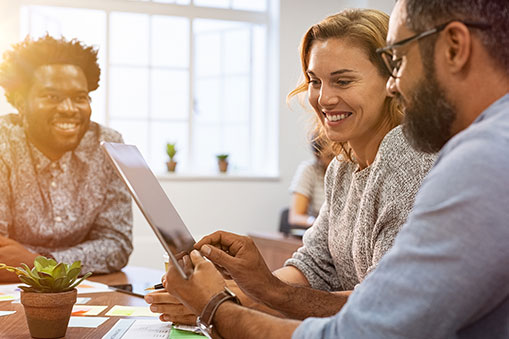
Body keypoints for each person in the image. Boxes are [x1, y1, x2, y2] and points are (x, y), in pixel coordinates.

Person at [162, 0, 509, 338]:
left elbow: (369, 323)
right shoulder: (342, 167)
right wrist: (245, 290)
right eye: (315, 80)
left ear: (454, 47)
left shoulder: (452, 158)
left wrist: (220, 305)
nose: (394, 83)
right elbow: (318, 267)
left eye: (399, 61)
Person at [0, 35, 133, 282]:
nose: (69, 109)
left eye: (80, 98)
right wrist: (78, 258)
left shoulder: (108, 145)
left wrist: (43, 264)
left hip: (85, 291)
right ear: (20, 104)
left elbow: (117, 245)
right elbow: (2, 258)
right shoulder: (3, 143)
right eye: (52, 97)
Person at [281, 136, 333, 234]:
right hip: (320, 232)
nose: (336, 161)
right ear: (318, 156)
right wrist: (316, 222)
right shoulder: (310, 170)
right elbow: (295, 217)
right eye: (330, 156)